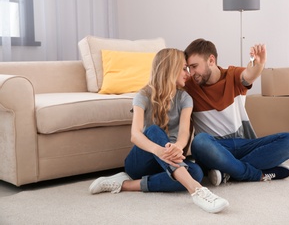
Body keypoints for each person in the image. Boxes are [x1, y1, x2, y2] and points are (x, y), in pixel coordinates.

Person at [88, 48, 229, 213]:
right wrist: (160, 151)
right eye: (184, 68)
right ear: (170, 68)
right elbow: (135, 135)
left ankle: (126, 184)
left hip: (169, 163)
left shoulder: (185, 98)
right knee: (154, 131)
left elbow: (184, 133)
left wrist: (177, 146)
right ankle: (197, 191)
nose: (188, 74)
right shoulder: (143, 96)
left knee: (196, 172)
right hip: (141, 163)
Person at [183, 38, 289, 186]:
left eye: (194, 66)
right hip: (213, 148)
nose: (191, 73)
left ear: (211, 60)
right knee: (199, 142)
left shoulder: (232, 75)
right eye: (189, 68)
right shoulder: (190, 85)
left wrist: (259, 64)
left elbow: (249, 75)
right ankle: (254, 174)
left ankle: (228, 172)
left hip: (243, 144)